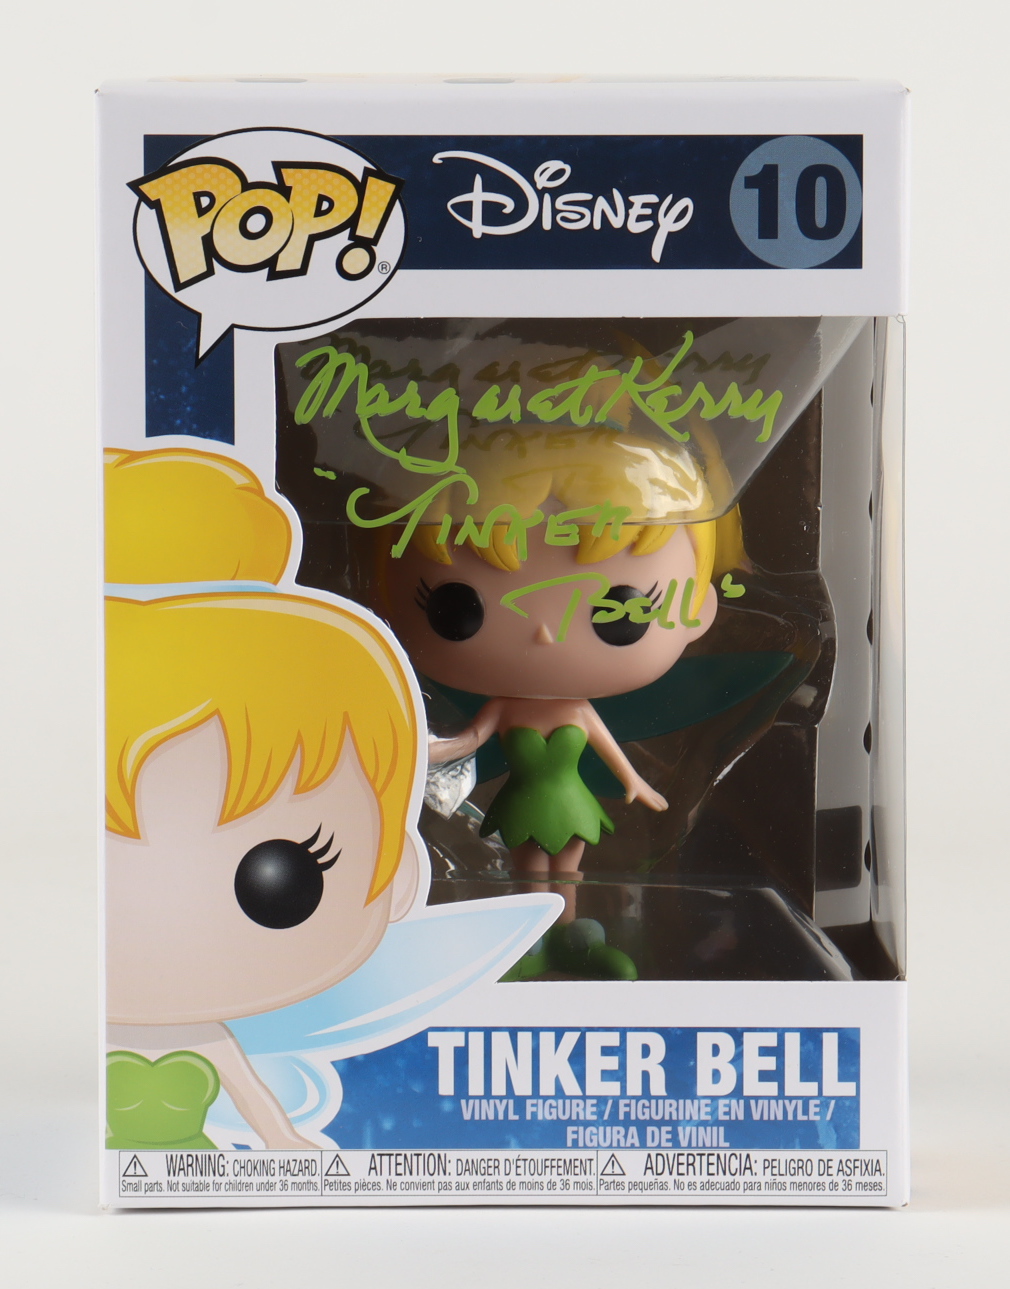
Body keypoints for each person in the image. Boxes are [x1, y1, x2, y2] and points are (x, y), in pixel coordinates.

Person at [104, 446, 425, 1150]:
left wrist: (288, 1143)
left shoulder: (197, 1028)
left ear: (395, 870)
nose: (171, 925)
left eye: (280, 882)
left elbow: (249, 1093)